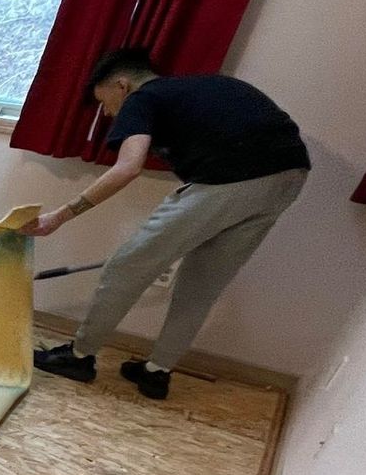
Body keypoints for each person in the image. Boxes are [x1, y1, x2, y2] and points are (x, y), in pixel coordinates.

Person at [28, 47, 309, 400]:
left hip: (230, 180)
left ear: (122, 85)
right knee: (201, 287)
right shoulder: (204, 89)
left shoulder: (143, 97)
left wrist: (60, 215)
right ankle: (156, 372)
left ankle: (79, 357)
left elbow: (127, 168)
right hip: (289, 178)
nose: (108, 113)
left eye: (105, 103)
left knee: (125, 269)